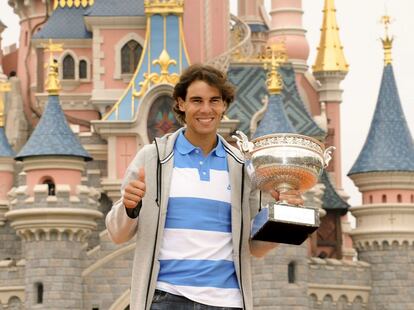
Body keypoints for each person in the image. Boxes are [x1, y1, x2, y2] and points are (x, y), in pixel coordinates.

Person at [106, 64, 302, 310]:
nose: (206, 109)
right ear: (181, 104)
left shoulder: (243, 167)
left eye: (214, 101)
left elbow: (255, 248)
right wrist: (129, 207)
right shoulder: (152, 158)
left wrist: (282, 218)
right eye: (196, 100)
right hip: (168, 299)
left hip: (227, 302)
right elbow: (117, 233)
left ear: (224, 106)